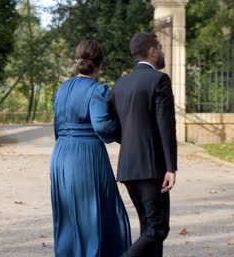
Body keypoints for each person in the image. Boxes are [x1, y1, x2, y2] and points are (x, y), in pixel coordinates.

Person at [50, 40, 131, 257]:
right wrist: (121, 132)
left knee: (68, 215)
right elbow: (102, 126)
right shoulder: (97, 89)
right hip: (86, 156)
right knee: (96, 211)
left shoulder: (62, 88)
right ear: (99, 65)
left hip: (61, 155)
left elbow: (57, 126)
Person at [110, 33, 178, 256]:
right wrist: (171, 167)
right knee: (158, 229)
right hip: (152, 168)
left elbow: (116, 128)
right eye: (160, 46)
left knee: (147, 228)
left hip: (128, 168)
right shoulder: (159, 79)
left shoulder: (119, 85)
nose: (162, 51)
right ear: (152, 50)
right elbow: (166, 126)